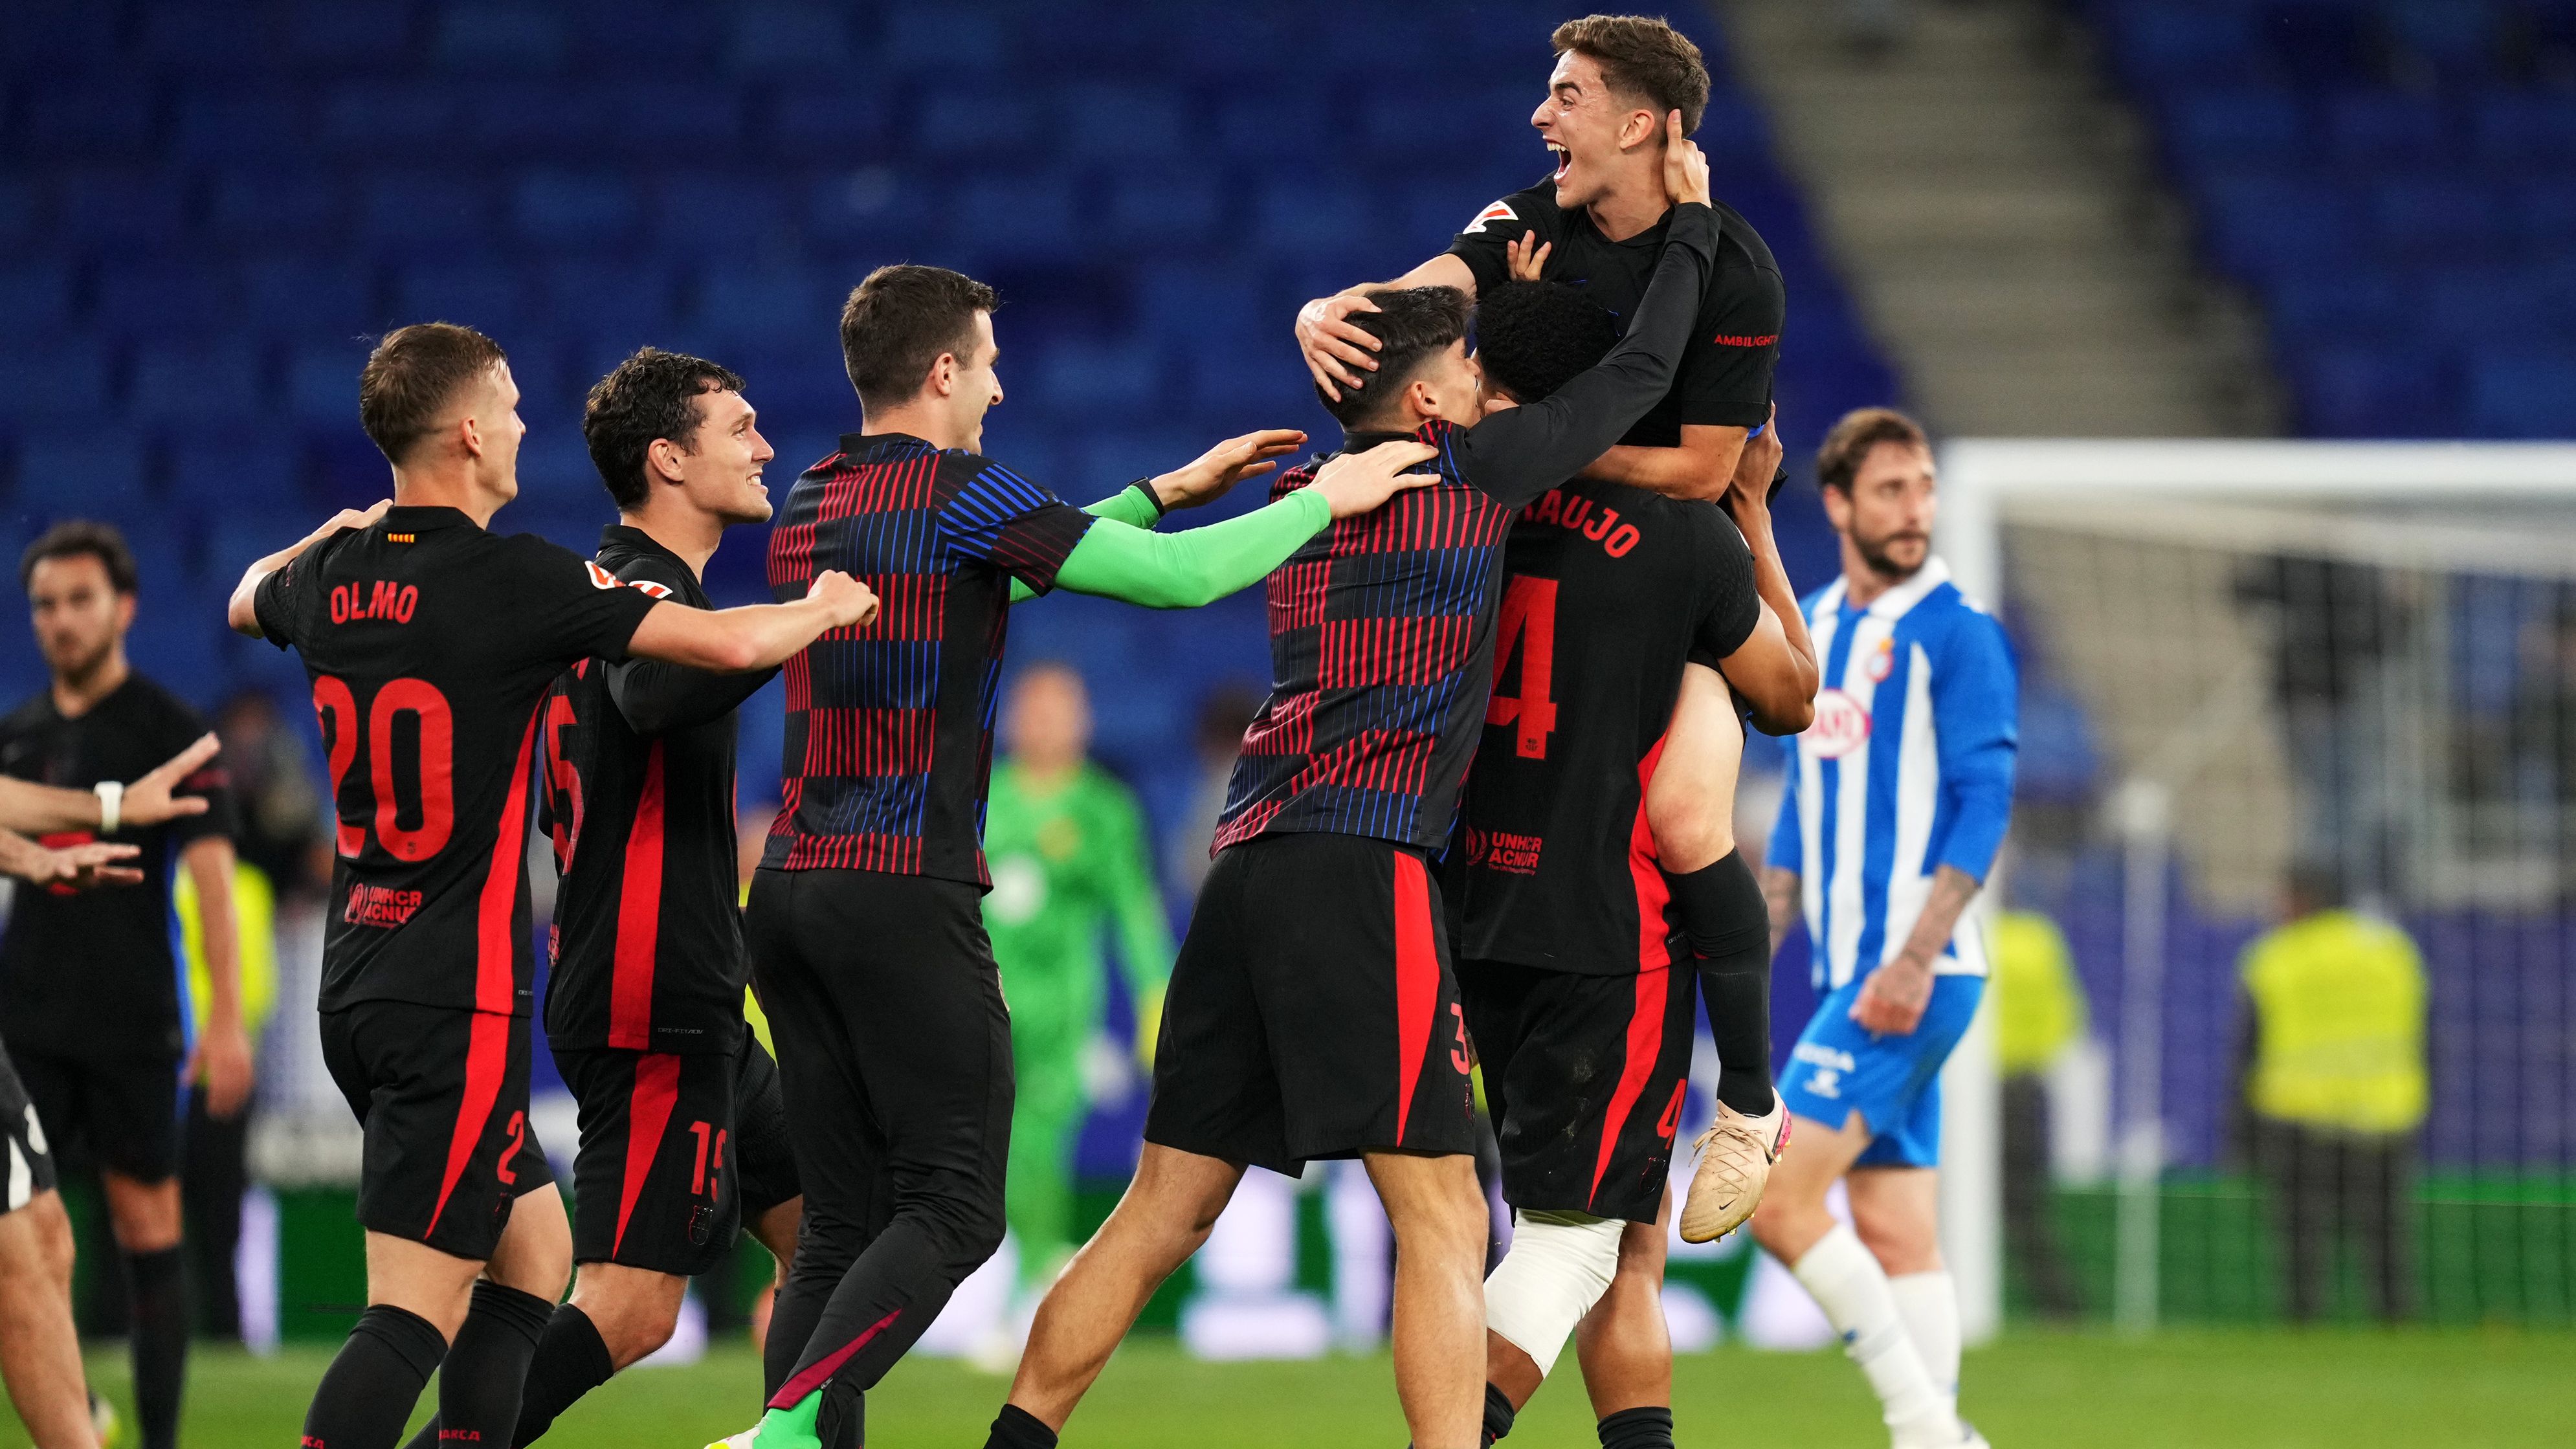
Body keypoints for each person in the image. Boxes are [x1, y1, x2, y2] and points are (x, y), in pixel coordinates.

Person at [986, 129, 1724, 1449]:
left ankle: (1013, 1440)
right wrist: (1689, 233)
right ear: (1434, 402)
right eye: (1466, 365)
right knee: (1445, 1212)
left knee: (1160, 1207)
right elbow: (1639, 373)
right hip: (1362, 864)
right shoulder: (1468, 484)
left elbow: (1427, 344)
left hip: (1248, 857)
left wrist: (1387, 295)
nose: (1489, 377)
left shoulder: (1300, 494)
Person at [728, 264, 1442, 1449]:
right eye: (991, 362)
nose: (1002, 387)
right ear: (944, 370)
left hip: (792, 890)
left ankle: (788, 1435)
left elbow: (1002, 566)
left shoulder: (813, 494)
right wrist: (1333, 497)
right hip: (903, 887)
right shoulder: (957, 487)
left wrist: (1166, 486)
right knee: (958, 1208)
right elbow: (1186, 582)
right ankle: (790, 1427)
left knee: (842, 1225)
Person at [226, 321, 882, 1449]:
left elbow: (245, 597)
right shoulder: (525, 581)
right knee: (441, 1309)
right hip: (498, 990)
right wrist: (823, 607)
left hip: (374, 965)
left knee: (547, 1260)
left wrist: (328, 533)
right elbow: (678, 671)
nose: (530, 425)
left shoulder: (336, 575)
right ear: (472, 429)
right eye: (513, 405)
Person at [386, 348, 817, 1448]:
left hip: (679, 984)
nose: (765, 447)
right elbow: (657, 686)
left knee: (838, 1238)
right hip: (649, 991)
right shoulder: (635, 596)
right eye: (742, 427)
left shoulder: (609, 586)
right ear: (669, 458)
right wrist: (797, 620)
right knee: (632, 1304)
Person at [1450, 282, 1816, 1449]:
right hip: (1609, 939)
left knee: (1628, 1236)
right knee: (1579, 1241)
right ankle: (1443, 1432)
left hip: (1474, 918)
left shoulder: (1462, 504)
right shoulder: (1682, 532)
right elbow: (1792, 693)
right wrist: (1751, 511)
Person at [1749, 408, 2015, 1449]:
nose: (1917, 510)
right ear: (1840, 504)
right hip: (1853, 970)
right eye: (1893, 490)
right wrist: (1754, 946)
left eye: (1925, 488)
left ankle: (1930, 1430)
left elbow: (1984, 802)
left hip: (1916, 966)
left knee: (1775, 1202)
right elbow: (1802, 822)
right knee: (1900, 1230)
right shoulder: (1816, 623)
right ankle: (1935, 1433)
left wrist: (1911, 956)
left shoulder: (1961, 629)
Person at [1296, 14, 1780, 509]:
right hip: (1533, 519)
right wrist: (1323, 311)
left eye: (1567, 99)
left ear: (1634, 128)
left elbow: (1701, 476)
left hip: (1667, 540)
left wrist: (1530, 446)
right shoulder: (1534, 216)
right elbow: (1419, 293)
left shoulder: (1738, 274)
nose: (1540, 115)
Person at [0, 521, 251, 1449]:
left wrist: (224, 1020)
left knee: (150, 1232)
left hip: (132, 1018)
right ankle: (75, 1412)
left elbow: (218, 878)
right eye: (44, 604)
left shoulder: (171, 733)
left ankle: (154, 1440)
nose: (60, 620)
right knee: (29, 1235)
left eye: (78, 599)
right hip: (23, 1016)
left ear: (125, 607)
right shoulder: (18, 734)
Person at [983, 664, 1172, 1331]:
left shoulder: (1103, 808)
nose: (1047, 724)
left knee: (1039, 1144)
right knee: (993, 1147)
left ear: (1084, 722)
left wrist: (1156, 994)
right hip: (982, 1006)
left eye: (1060, 711)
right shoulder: (984, 798)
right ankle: (1018, 1274)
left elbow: (1133, 909)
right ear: (1012, 720)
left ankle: (1027, 1287)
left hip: (1062, 1010)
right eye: (1036, 711)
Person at [2236, 865, 2426, 1323]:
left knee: (2301, 1237)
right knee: (2385, 1236)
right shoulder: (2392, 951)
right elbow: (2423, 1033)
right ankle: (2397, 1324)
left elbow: (2249, 1044)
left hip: (2301, 1111)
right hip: (2383, 1110)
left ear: (2304, 899)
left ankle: (2303, 1326)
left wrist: (2241, 1127)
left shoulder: (2276, 956)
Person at [1990, 905, 2086, 1320]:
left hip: (1977, 1090)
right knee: (2025, 1209)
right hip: (2025, 1086)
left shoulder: (1957, 936)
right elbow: (2067, 1017)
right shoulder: (2041, 938)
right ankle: (2061, 1310)